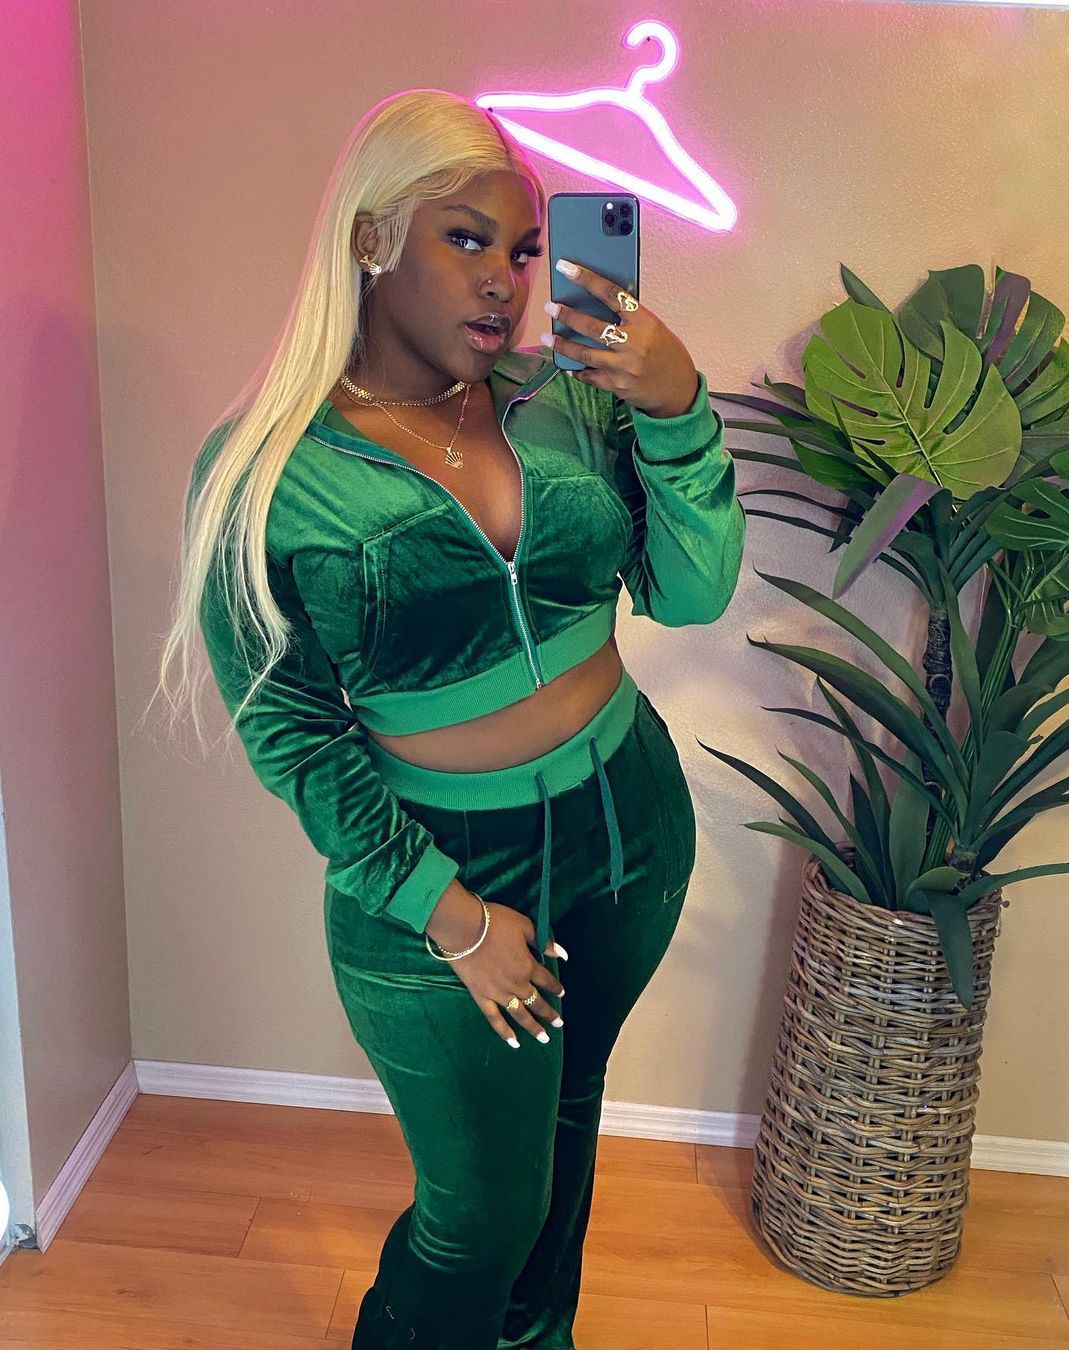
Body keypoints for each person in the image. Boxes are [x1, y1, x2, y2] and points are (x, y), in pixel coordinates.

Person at [155, 87, 744, 1350]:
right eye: (465, 239)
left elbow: (692, 593)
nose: (505, 281)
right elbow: (291, 730)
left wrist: (679, 408)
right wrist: (453, 915)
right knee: (478, 1220)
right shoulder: (268, 470)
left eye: (523, 250)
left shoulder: (570, 397)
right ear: (371, 239)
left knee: (567, 1128)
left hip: (627, 825)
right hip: (437, 864)